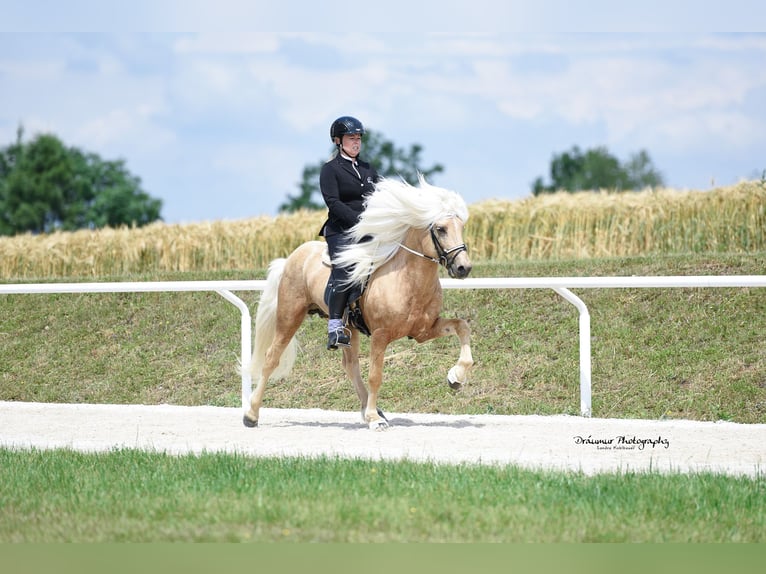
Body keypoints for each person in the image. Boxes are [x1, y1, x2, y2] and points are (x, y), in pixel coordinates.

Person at [318, 115, 380, 350]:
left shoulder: (368, 169)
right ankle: (335, 327)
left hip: (368, 229)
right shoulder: (330, 170)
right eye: (351, 138)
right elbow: (333, 203)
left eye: (358, 138)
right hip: (341, 230)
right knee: (344, 271)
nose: (356, 142)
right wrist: (359, 221)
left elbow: (381, 195)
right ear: (338, 141)